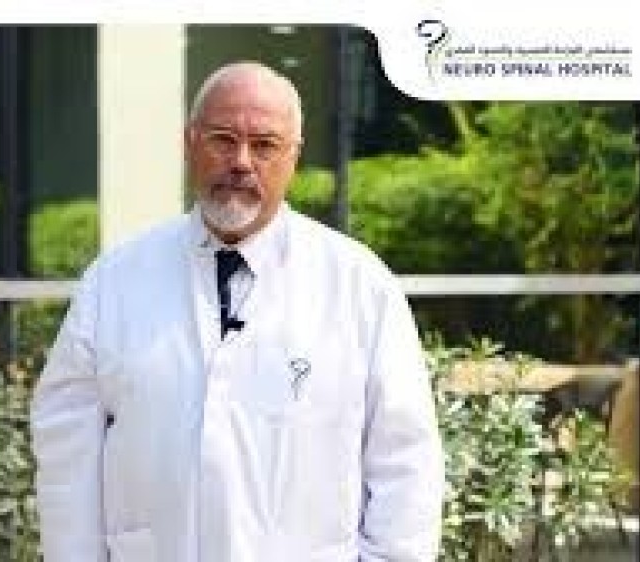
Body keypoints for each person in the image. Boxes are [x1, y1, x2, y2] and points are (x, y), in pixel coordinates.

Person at [31, 61, 445, 562]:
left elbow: (405, 462)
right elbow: (67, 454)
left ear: (293, 157)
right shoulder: (114, 281)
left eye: (264, 145)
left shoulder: (360, 286)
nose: (242, 162)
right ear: (190, 143)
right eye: (223, 140)